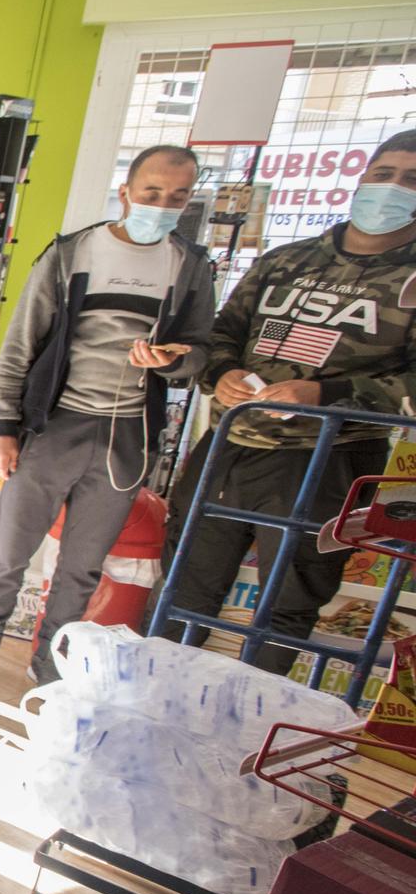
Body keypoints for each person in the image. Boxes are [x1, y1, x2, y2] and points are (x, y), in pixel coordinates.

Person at [0, 145, 214, 689]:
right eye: (152, 193)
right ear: (127, 193)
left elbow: (202, 353)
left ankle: (51, 659)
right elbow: (19, 345)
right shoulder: (72, 254)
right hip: (52, 428)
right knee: (9, 555)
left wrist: (177, 360)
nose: (163, 205)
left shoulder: (190, 266)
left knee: (82, 566)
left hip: (125, 438)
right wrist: (3, 427)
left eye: (178, 197)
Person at [157, 129, 416, 673]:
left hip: (327, 460)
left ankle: (245, 726)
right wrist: (223, 373)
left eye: (410, 180)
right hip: (231, 447)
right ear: (363, 177)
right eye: (383, 174)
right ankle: (152, 704)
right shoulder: (286, 261)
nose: (391, 188)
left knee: (289, 603)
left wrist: (326, 394)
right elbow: (224, 331)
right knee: (184, 586)